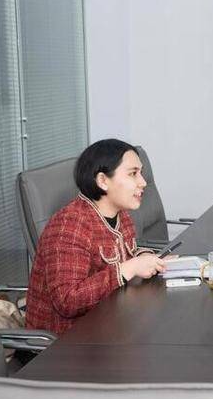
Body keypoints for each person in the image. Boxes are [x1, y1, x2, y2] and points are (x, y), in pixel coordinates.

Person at [25, 139, 167, 335]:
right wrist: (129, 268)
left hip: (110, 324)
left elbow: (122, 254)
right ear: (102, 181)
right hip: (66, 343)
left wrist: (146, 258)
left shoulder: (121, 214)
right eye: (133, 174)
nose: (143, 182)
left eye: (140, 173)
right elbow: (67, 301)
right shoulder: (70, 225)